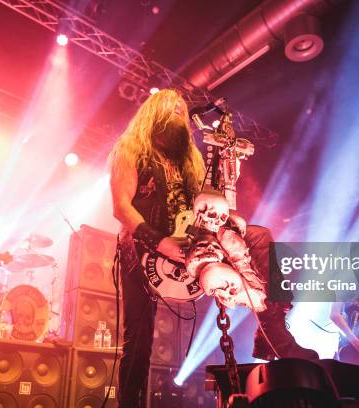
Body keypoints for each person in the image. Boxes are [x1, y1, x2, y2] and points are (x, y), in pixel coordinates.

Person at [109, 88, 318, 407]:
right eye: (171, 109)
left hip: (188, 236)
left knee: (260, 236)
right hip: (143, 243)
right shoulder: (130, 149)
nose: (179, 115)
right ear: (153, 113)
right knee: (137, 336)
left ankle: (274, 333)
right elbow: (122, 208)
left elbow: (204, 205)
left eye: (182, 110)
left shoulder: (191, 158)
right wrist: (159, 241)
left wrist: (228, 217)